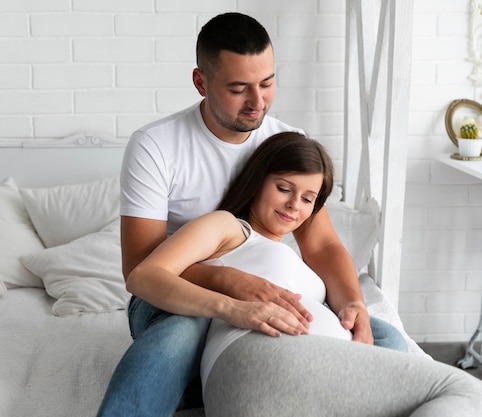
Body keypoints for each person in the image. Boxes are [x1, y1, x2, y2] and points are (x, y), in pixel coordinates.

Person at [96, 12, 406, 417]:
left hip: (267, 284)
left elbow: (323, 243)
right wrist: (231, 283)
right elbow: (140, 268)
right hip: (169, 294)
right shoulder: (156, 146)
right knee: (180, 334)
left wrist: (353, 304)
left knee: (387, 343)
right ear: (201, 82)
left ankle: (204, 384)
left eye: (267, 83)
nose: (257, 102)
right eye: (239, 88)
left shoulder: (283, 141)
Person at [128, 132, 482, 417]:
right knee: (467, 390)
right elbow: (143, 276)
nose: (294, 205)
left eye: (308, 199)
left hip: (301, 383)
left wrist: (354, 305)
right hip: (267, 362)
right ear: (256, 182)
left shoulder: (301, 263)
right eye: (283, 188)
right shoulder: (230, 228)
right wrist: (231, 306)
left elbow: (330, 251)